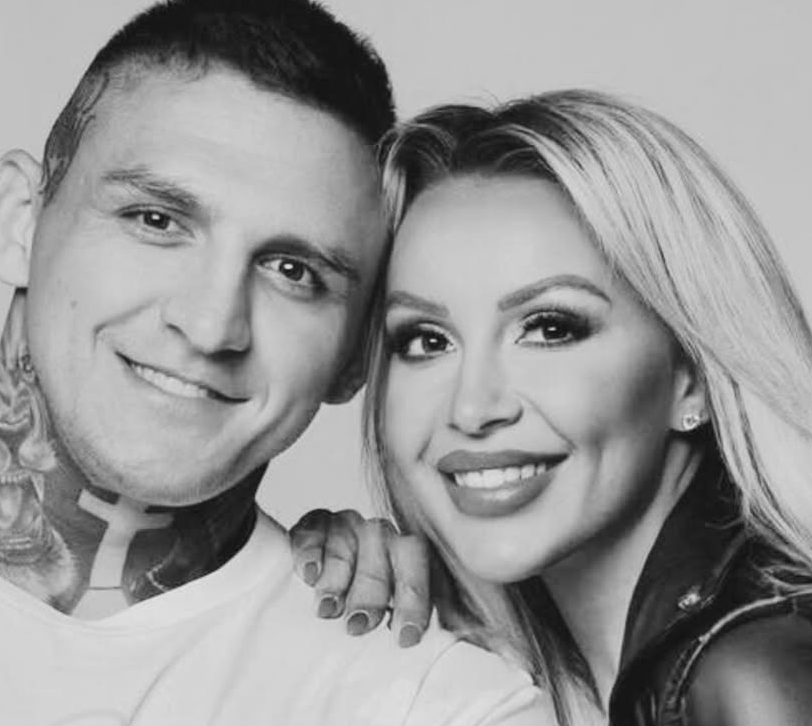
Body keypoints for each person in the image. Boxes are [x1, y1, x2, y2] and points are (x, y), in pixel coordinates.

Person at [0, 1, 555, 723]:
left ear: (356, 356)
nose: (211, 326)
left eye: (294, 271)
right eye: (156, 220)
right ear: (18, 220)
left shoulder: (432, 704)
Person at [291, 91, 812, 725]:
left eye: (550, 328)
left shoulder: (754, 676)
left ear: (692, 380)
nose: (472, 408)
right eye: (426, 341)